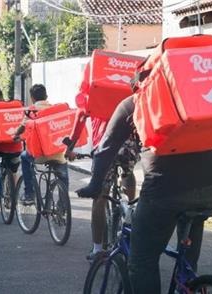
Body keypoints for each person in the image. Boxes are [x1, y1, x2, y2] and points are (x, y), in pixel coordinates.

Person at [76, 96, 212, 294]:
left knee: (142, 261)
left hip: (166, 188)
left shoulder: (134, 101)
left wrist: (95, 186)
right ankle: (189, 285)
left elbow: (106, 148)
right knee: (187, 259)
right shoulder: (188, 94)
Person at [66, 63, 140, 260]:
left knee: (99, 194)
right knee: (128, 173)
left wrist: (70, 146)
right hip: (129, 144)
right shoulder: (127, 91)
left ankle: (97, 249)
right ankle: (131, 205)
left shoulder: (91, 95)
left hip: (105, 149)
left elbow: (80, 119)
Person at [13, 84, 69, 203]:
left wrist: (15, 135)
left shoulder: (31, 111)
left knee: (24, 156)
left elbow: (22, 128)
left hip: (39, 156)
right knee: (63, 177)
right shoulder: (55, 109)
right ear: (46, 96)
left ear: (32, 98)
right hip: (58, 154)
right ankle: (63, 206)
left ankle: (29, 193)